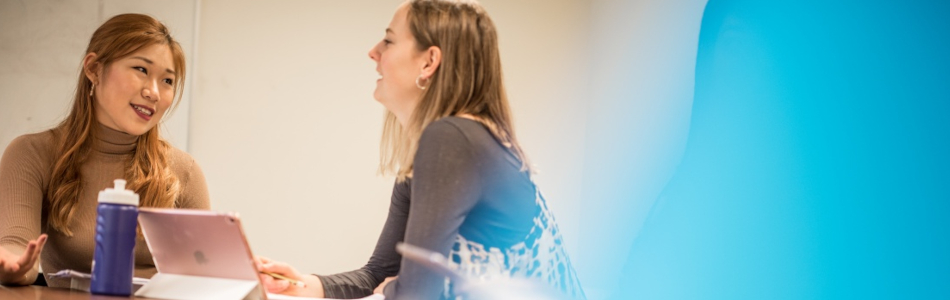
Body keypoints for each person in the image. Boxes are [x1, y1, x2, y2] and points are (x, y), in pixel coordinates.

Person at [258, 1, 584, 299]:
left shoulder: (452, 138)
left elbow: (413, 293)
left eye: (388, 41)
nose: (373, 52)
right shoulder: (445, 145)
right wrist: (302, 284)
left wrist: (395, 287)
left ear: (429, 62)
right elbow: (380, 274)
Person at [0, 13, 211, 288]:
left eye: (167, 81)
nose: (154, 92)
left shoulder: (185, 171)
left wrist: (246, 276)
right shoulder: (32, 153)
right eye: (141, 69)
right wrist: (12, 265)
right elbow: (16, 247)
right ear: (94, 69)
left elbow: (205, 273)